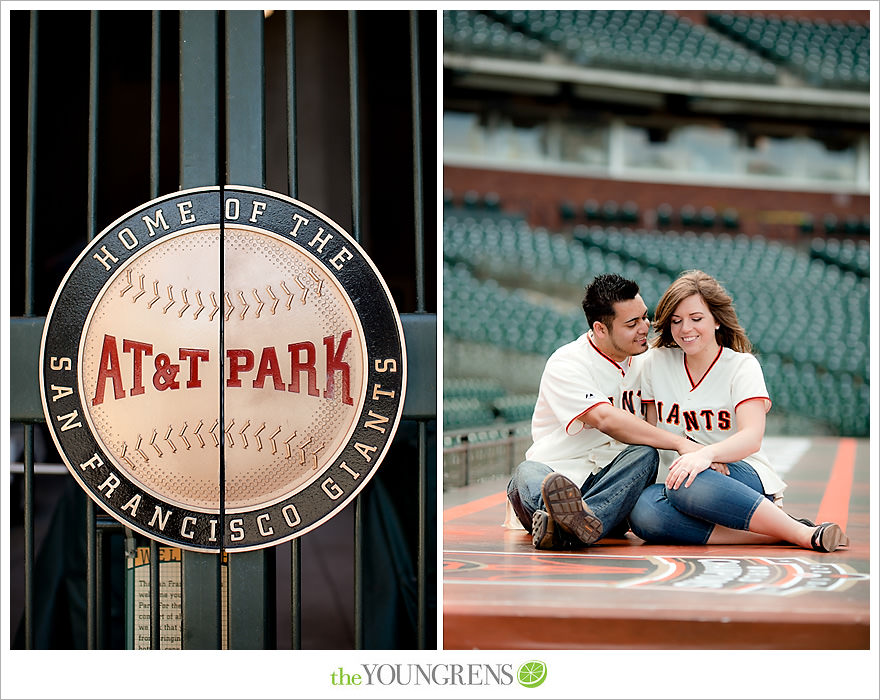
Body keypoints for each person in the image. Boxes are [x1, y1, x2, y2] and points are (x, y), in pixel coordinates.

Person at [628, 270, 849, 552]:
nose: (686, 329)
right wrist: (697, 460)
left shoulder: (742, 366)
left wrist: (707, 456)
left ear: (717, 320)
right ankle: (775, 531)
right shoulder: (655, 363)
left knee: (688, 484)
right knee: (644, 513)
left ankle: (801, 534)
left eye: (696, 319)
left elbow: (751, 437)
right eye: (676, 321)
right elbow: (652, 432)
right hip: (681, 477)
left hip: (741, 475)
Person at [506, 273, 705, 550]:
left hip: (614, 484)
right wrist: (682, 444)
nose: (644, 328)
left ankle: (565, 527)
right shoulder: (567, 362)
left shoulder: (649, 362)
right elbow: (605, 418)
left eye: (645, 317)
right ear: (601, 329)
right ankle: (573, 523)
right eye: (632, 323)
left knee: (645, 453)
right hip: (559, 473)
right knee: (526, 472)